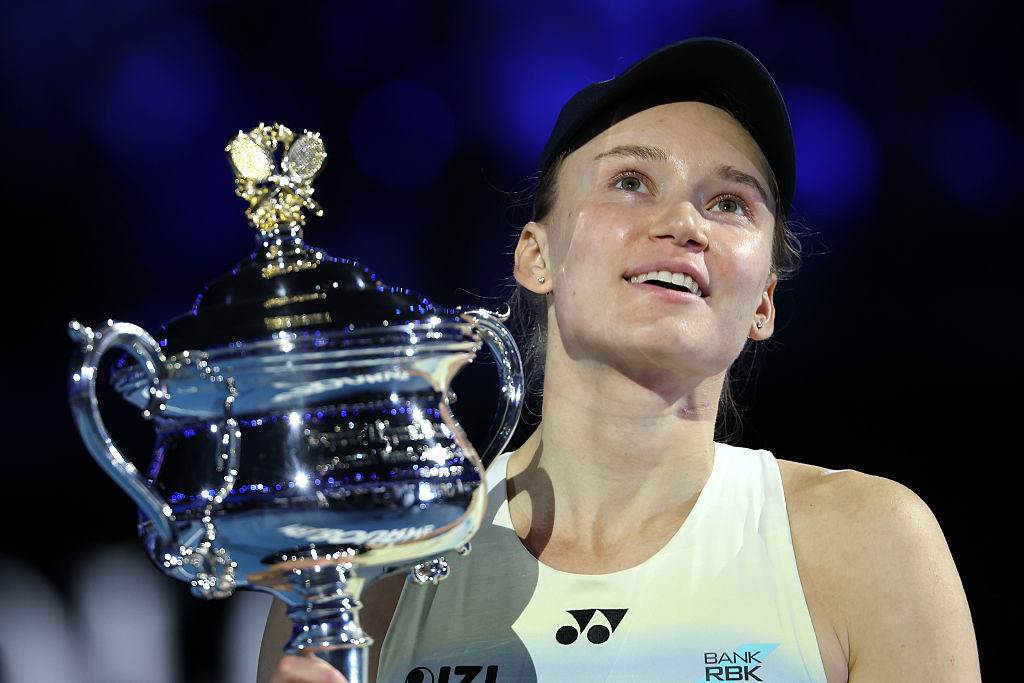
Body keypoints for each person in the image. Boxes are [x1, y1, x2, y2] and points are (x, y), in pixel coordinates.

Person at [260, 37, 981, 682]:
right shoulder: (377, 570)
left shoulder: (869, 543)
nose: (684, 223)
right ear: (537, 256)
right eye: (632, 181)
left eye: (731, 203)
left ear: (763, 299)